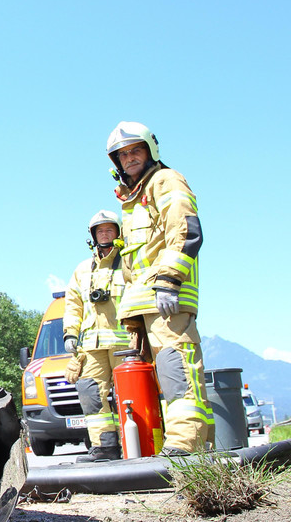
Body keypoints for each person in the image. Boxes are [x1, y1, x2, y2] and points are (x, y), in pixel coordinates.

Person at [106, 121, 212, 455]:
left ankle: (187, 447)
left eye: (135, 150)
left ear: (150, 150)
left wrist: (169, 282)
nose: (129, 159)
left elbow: (184, 230)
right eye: (122, 155)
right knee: (148, 384)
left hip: (166, 302)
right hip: (140, 309)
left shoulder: (166, 180)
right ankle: (160, 449)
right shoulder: (133, 201)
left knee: (176, 370)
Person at [63, 210, 129, 462]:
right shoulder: (82, 270)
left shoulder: (128, 262)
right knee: (92, 395)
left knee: (130, 395)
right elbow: (73, 305)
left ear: (118, 232)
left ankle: (137, 444)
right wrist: (70, 334)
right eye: (99, 230)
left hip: (125, 344)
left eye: (109, 229)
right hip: (91, 346)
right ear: (93, 235)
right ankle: (104, 447)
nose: (104, 234)